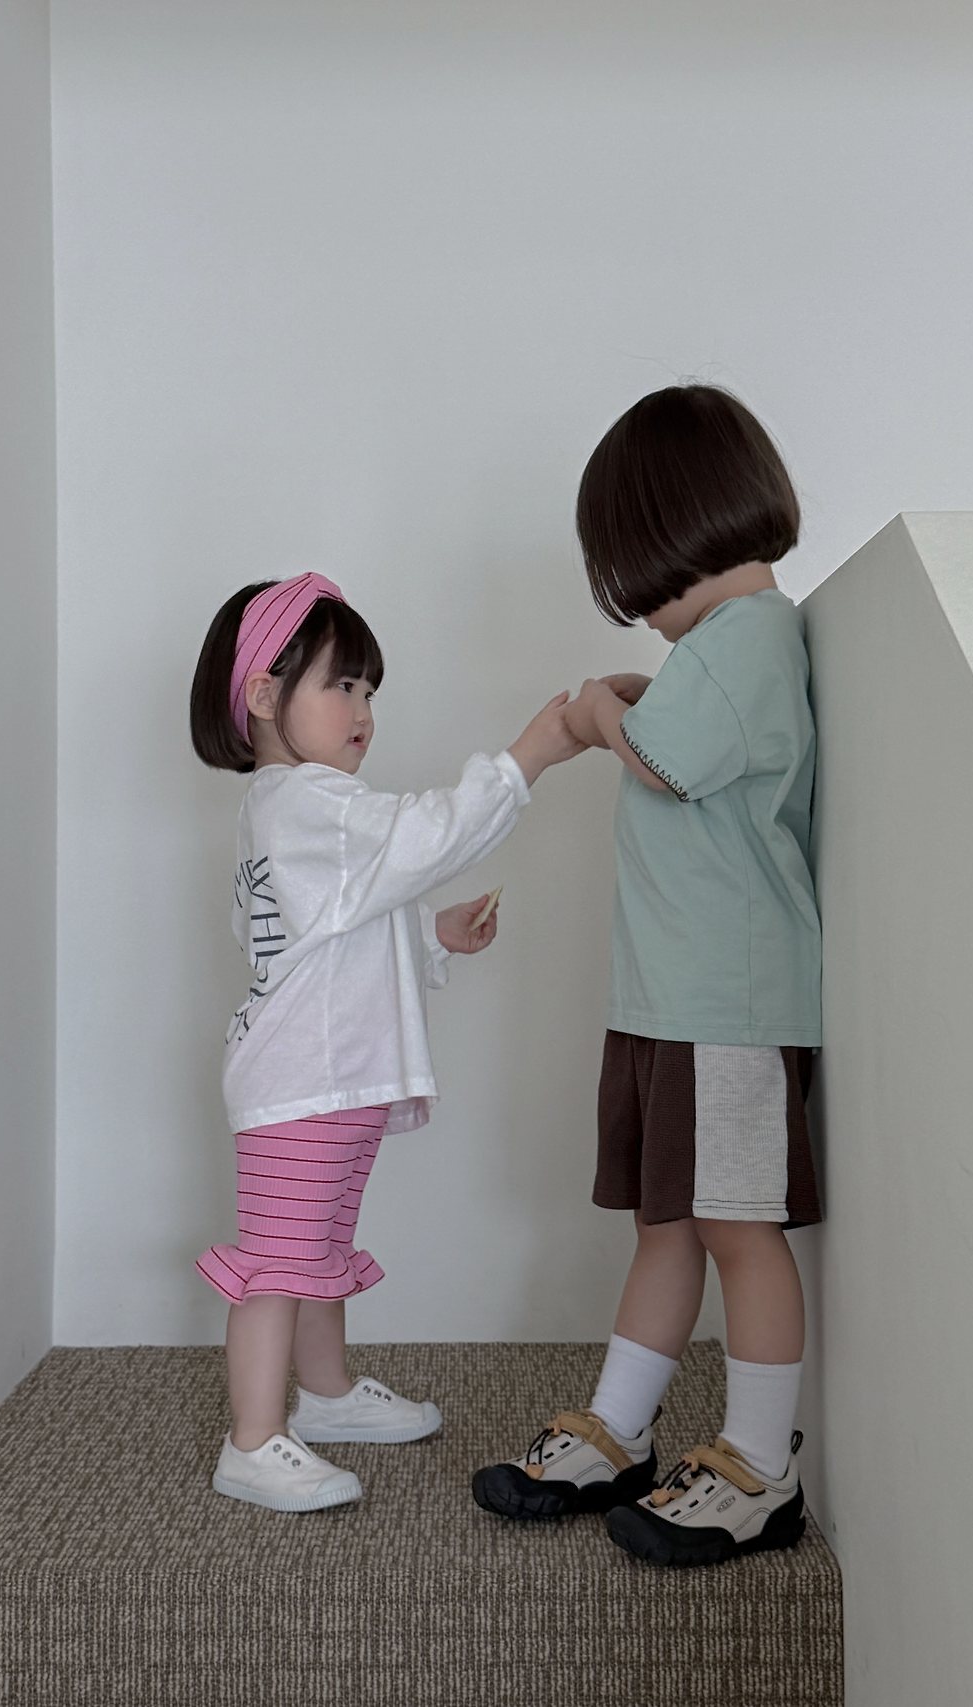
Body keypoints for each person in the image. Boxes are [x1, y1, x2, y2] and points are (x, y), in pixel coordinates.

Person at [472, 386, 823, 1568]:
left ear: (665, 532)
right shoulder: (717, 652)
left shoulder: (749, 636)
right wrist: (627, 702)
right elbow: (679, 741)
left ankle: (760, 1466)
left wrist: (590, 712)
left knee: (733, 1227)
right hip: (674, 1003)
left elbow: (670, 765)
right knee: (665, 1221)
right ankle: (618, 1430)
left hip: (723, 1007)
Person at [189, 572, 582, 1512]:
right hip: (303, 1084)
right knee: (278, 1266)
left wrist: (432, 936)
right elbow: (426, 836)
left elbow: (330, 938)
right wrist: (527, 757)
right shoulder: (312, 800)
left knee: (316, 1252)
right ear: (263, 695)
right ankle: (251, 1440)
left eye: (369, 689)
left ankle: (325, 1396)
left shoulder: (286, 808)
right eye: (341, 684)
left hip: (322, 1081)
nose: (363, 709)